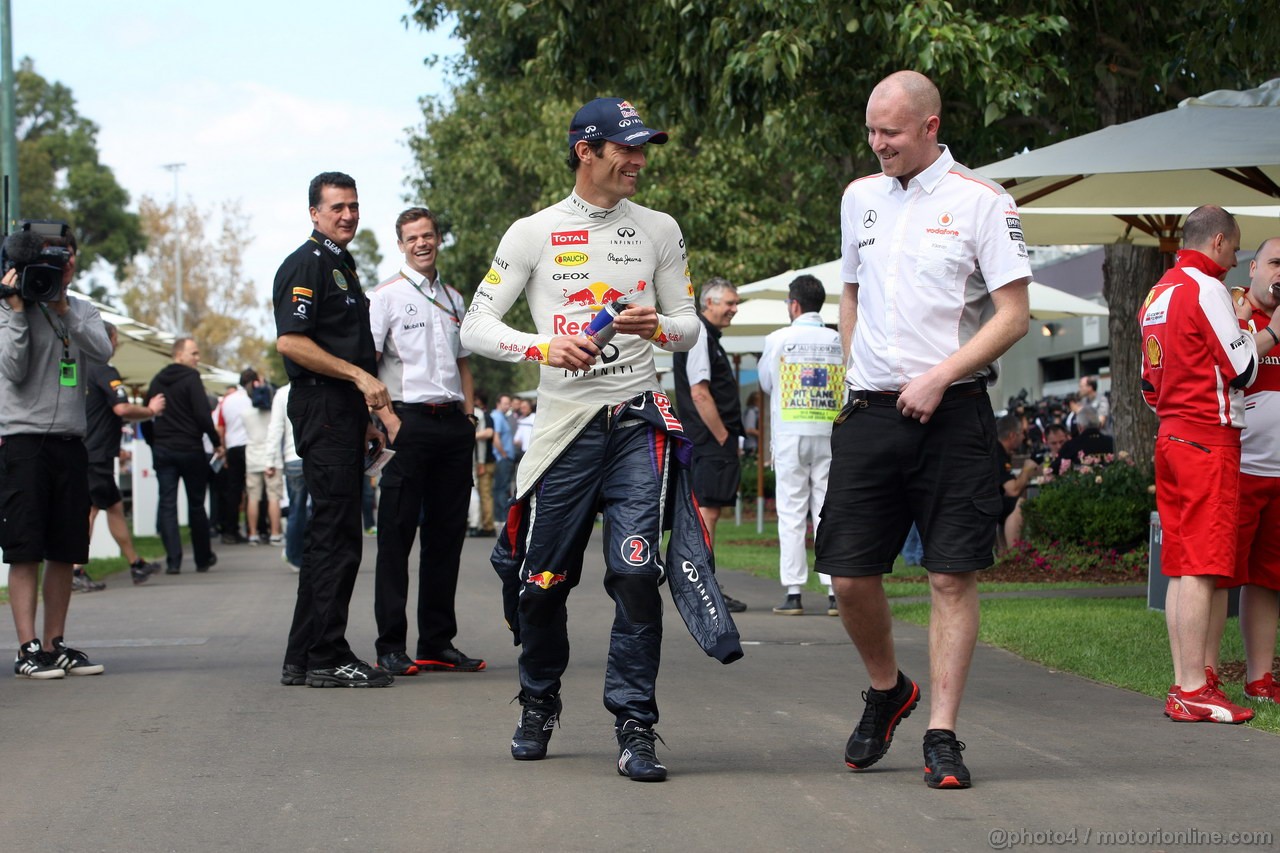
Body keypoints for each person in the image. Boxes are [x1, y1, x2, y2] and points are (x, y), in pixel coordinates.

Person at [460, 96, 704, 781]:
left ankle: (636, 726)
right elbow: (474, 326)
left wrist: (658, 325)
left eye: (643, 147)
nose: (639, 160)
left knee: (634, 574)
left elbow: (690, 327)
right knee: (539, 584)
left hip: (636, 423)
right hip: (563, 430)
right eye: (626, 148)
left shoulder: (659, 228)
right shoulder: (532, 231)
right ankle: (538, 700)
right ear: (585, 152)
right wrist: (545, 347)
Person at [813, 70, 1033, 789]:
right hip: (871, 410)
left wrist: (940, 375)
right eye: (871, 131)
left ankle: (942, 731)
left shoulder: (983, 204)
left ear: (931, 126)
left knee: (949, 574)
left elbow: (1012, 313)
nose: (878, 145)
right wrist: (853, 368)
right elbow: (849, 290)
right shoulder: (859, 198)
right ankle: (888, 688)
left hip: (955, 410)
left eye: (892, 134)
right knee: (847, 574)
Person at [1140, 204, 1272, 724]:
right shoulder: (1204, 287)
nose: (1236, 260)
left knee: (1179, 564)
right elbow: (1239, 366)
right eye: (1236, 248)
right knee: (1200, 565)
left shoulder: (1157, 292)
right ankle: (1194, 685)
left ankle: (1186, 680)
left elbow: (1149, 384)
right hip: (1206, 437)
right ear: (1217, 241)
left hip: (1171, 431)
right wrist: (1257, 328)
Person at [273, 171, 393, 688]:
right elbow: (291, 343)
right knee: (337, 536)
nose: (348, 215)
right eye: (337, 207)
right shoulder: (307, 262)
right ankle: (328, 654)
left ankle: (303, 656)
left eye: (354, 206)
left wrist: (364, 417)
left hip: (342, 411)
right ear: (314, 213)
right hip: (321, 404)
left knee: (332, 533)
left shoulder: (341, 264)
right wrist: (359, 377)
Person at [368, 206, 485, 677]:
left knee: (446, 538)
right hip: (406, 423)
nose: (421, 243)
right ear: (400, 244)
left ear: (439, 239)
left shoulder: (455, 298)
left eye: (428, 235)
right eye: (412, 237)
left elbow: (463, 365)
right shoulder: (386, 297)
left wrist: (470, 416)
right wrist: (387, 421)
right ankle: (390, 645)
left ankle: (437, 642)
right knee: (395, 537)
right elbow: (370, 364)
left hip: (452, 427)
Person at [1, 222, 113, 678]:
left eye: (67, 256)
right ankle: (27, 648)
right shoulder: (10, 309)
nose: (62, 263)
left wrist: (63, 307)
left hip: (70, 440)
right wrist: (15, 310)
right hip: (22, 441)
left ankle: (56, 643)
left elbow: (102, 351)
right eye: (52, 256)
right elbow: (13, 368)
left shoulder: (81, 309)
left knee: (66, 548)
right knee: (25, 548)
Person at [757, 274, 843, 616]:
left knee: (791, 513)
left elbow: (765, 383)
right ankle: (835, 590)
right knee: (827, 511)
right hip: (830, 433)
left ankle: (793, 592)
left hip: (791, 432)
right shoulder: (838, 339)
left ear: (794, 305)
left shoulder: (778, 338)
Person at [1223, 236, 1280, 704]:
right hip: (1240, 469)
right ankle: (1202, 673)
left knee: (1268, 578)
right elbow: (1229, 370)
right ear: (1254, 269)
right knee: (1219, 575)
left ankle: (1260, 678)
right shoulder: (1237, 318)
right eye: (1276, 263)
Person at [672, 276, 748, 613]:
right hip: (708, 440)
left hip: (707, 440)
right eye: (730, 303)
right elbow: (700, 392)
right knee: (708, 511)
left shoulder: (704, 334)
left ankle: (704, 582)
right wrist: (723, 437)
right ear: (709, 303)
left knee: (708, 510)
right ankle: (705, 585)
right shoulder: (699, 333)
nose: (734, 309)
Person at [83, 321, 166, 585]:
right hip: (96, 455)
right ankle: (74, 570)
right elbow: (121, 409)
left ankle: (135, 563)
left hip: (93, 452)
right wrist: (150, 411)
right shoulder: (104, 370)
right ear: (106, 340)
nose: (116, 344)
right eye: (116, 339)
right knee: (91, 510)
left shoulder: (82, 368)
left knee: (114, 506)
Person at [145, 337, 222, 575]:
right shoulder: (191, 378)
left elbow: (148, 413)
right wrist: (216, 442)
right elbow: (202, 414)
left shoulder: (157, 380)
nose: (197, 358)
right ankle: (202, 558)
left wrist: (154, 443)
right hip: (190, 449)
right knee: (196, 505)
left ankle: (173, 561)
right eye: (194, 353)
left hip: (164, 449)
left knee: (167, 504)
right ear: (179, 355)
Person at [266, 381, 307, 571]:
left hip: (292, 458)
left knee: (296, 510)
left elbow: (275, 429)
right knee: (318, 508)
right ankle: (315, 552)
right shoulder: (317, 387)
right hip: (315, 455)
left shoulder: (282, 394)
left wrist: (270, 460)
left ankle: (294, 555)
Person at [241, 371, 283, 545]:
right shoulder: (273, 412)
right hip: (272, 456)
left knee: (253, 497)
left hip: (252, 456)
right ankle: (274, 533)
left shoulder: (245, 413)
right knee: (273, 496)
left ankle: (252, 534)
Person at [995, 414, 1038, 550]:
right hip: (979, 503)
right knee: (1019, 504)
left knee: (1009, 504)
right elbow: (1012, 490)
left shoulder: (997, 450)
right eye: (1022, 433)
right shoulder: (997, 452)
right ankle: (1013, 554)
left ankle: (1005, 553)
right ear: (1013, 435)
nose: (1024, 437)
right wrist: (1027, 469)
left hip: (983, 500)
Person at [1051, 405, 1113, 475]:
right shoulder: (1111, 442)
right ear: (1099, 425)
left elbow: (1054, 469)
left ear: (1079, 427)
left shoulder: (1071, 446)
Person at [471, 391, 497, 537]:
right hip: (485, 460)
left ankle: (487, 526)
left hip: (485, 461)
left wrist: (470, 434)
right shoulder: (485, 415)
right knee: (482, 492)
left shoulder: (483, 415)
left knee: (484, 493)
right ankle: (483, 523)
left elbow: (489, 433)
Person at [491, 393, 517, 514]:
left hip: (505, 457)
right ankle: (501, 516)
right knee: (502, 488)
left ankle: (501, 516)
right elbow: (495, 437)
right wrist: (503, 454)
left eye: (509, 404)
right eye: (505, 403)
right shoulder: (497, 417)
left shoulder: (502, 417)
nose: (508, 406)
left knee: (503, 487)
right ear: (498, 404)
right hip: (502, 458)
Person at [741, 390, 762, 457]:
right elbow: (749, 429)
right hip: (751, 445)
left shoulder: (751, 411)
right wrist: (763, 436)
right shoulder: (752, 412)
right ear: (755, 401)